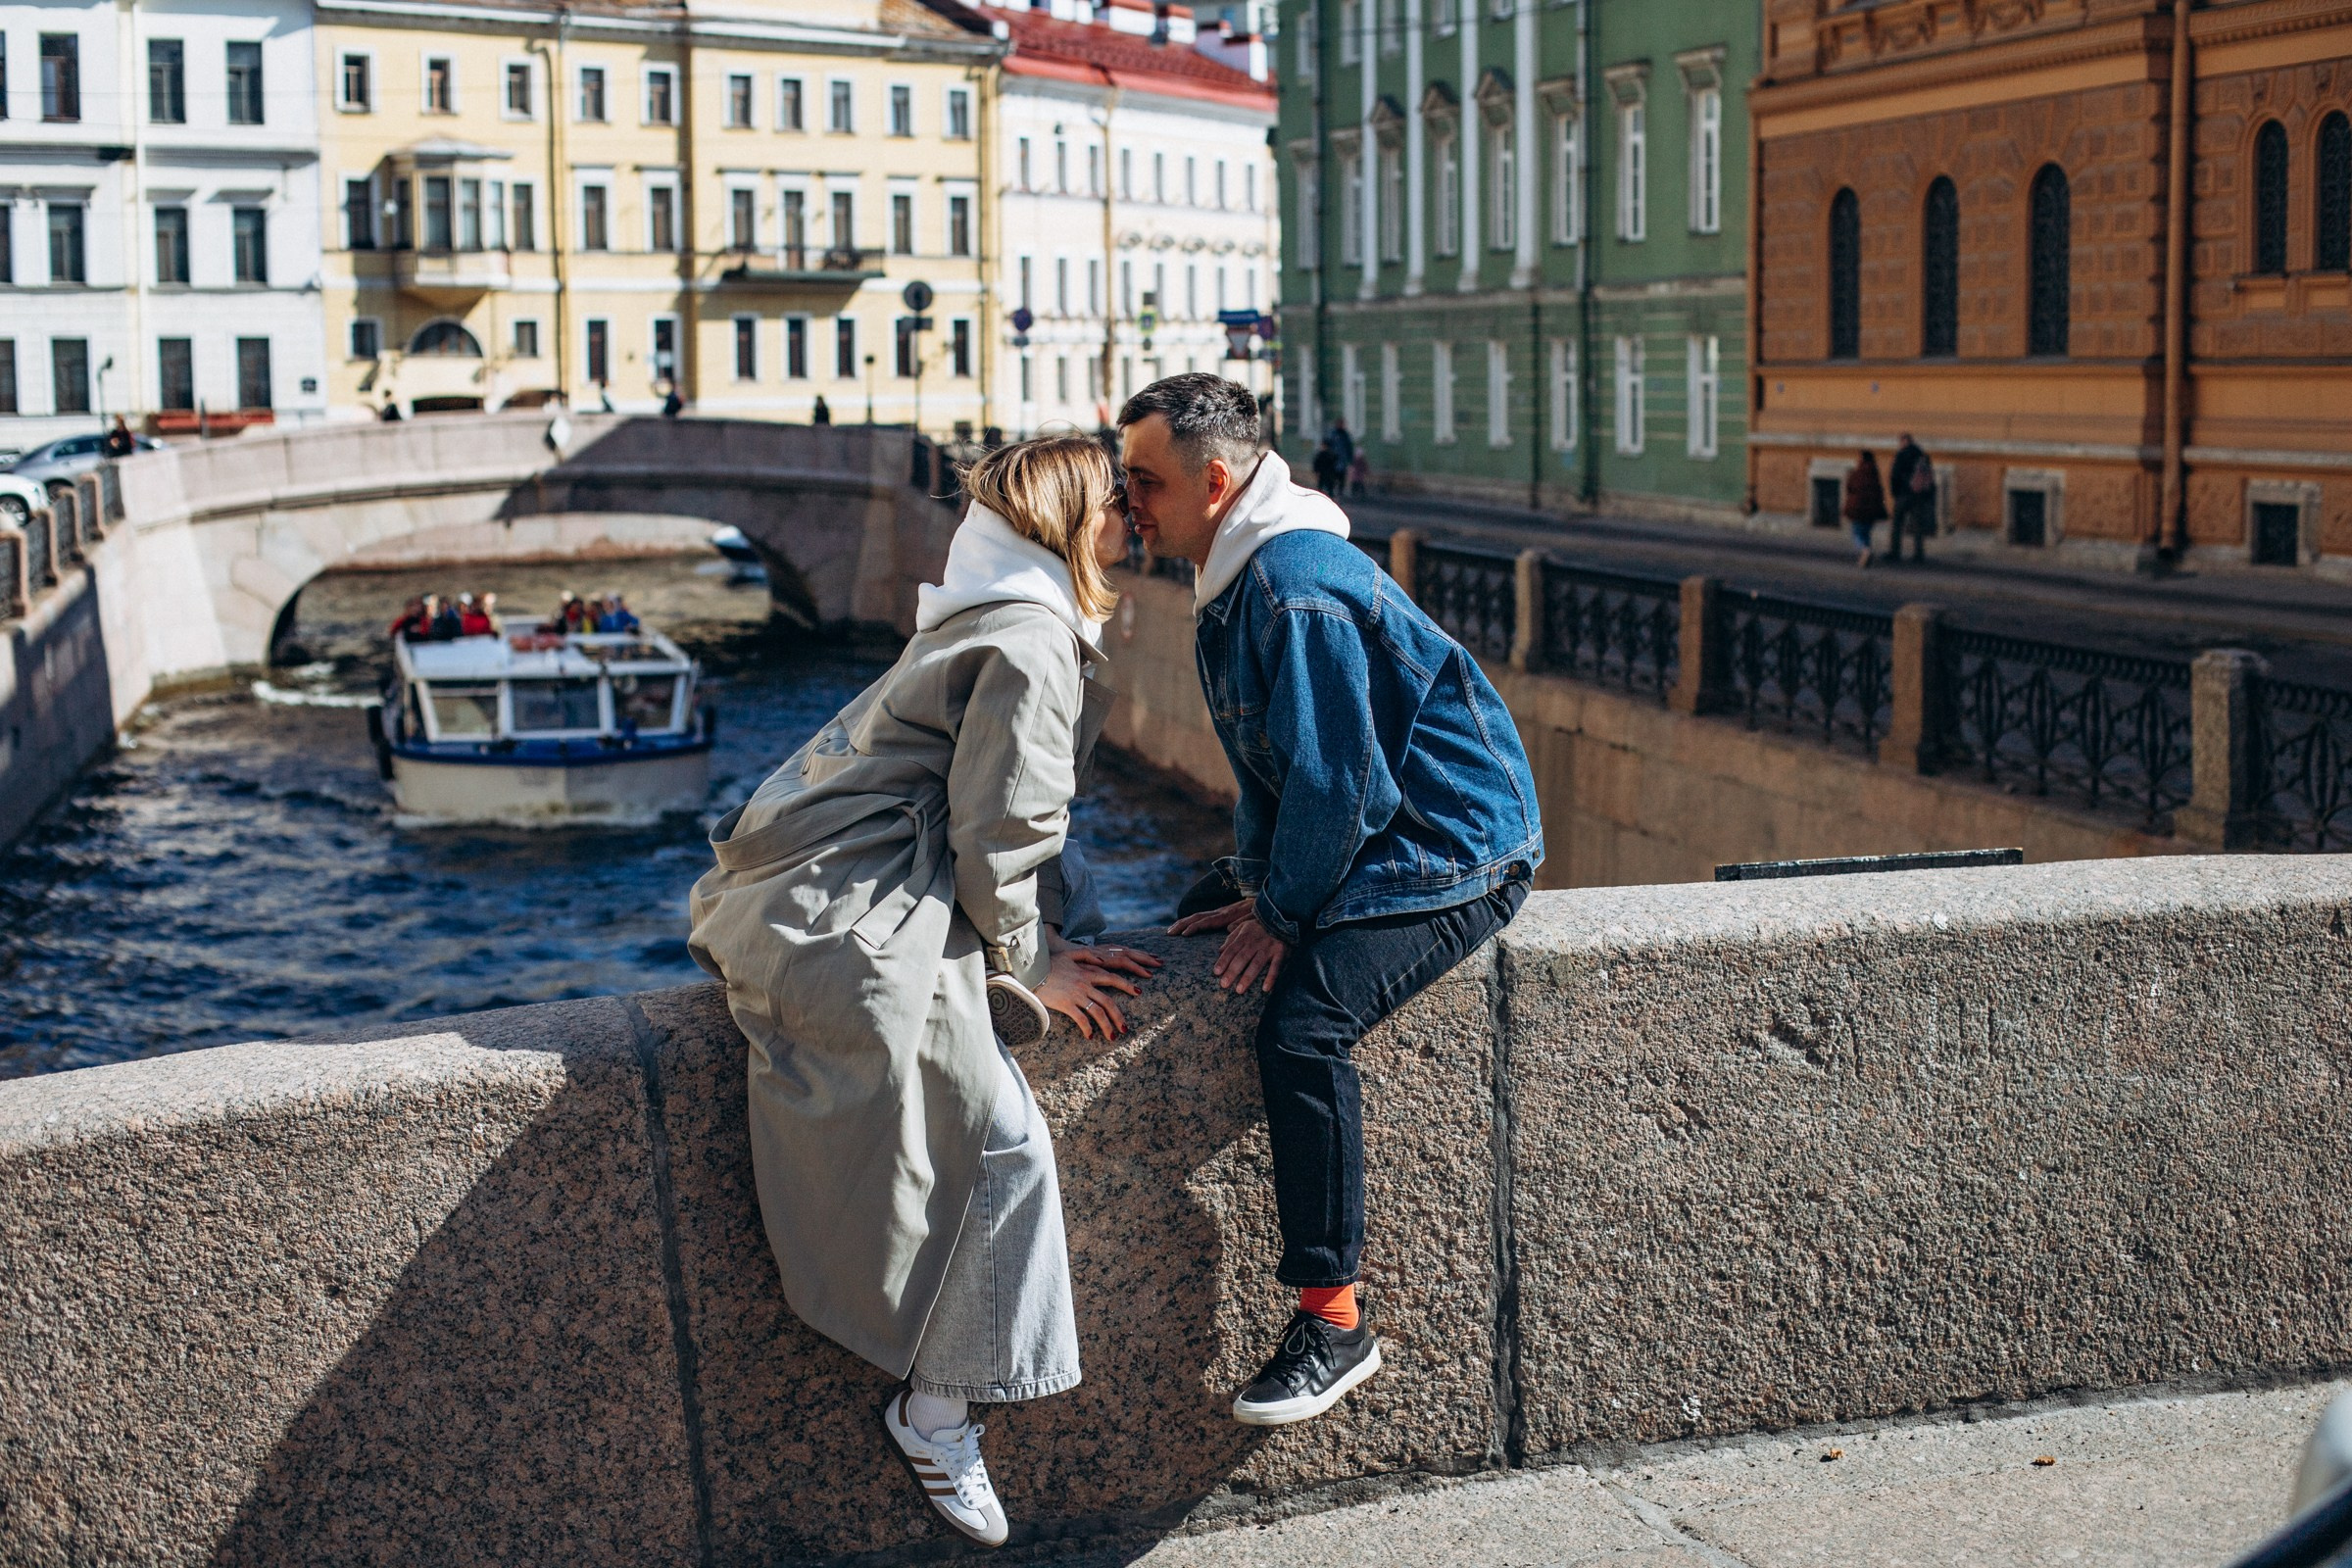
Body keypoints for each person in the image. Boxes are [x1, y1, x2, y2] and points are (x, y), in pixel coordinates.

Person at [688, 434, 1160, 1548]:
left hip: (810, 891)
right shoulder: (1037, 639)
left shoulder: (982, 608)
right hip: (849, 915)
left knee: (981, 1133)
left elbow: (1009, 809)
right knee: (1004, 1144)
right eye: (1111, 507)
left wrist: (1048, 935)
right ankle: (936, 1410)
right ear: (1063, 525)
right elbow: (1003, 829)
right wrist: (1039, 964)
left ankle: (938, 1394)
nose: (1128, 525)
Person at [1117, 374, 1543, 1428]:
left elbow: (1340, 783)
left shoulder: (1291, 587)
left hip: (1452, 847)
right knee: (1197, 903)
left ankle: (1334, 1316)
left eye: (1143, 482)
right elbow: (1275, 769)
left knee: (1303, 1029)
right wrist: (1258, 886)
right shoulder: (1240, 571)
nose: (1127, 502)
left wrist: (1285, 912)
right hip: (1383, 829)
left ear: (1215, 481)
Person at [1888, 433, 1936, 564]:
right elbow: (1929, 475)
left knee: (1897, 523)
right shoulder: (1922, 455)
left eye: (1900, 441)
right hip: (1919, 495)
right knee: (1918, 526)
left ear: (1904, 441)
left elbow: (1895, 475)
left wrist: (1895, 492)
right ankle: (1919, 554)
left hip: (1903, 494)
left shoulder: (1901, 455)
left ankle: (1895, 552)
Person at [1844, 450, 1888, 566]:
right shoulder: (1874, 473)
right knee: (1866, 533)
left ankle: (1865, 551)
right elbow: (1879, 491)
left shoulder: (1858, 473)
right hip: (1872, 510)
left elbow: (1850, 487)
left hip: (1858, 508)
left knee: (1857, 533)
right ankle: (1866, 554)